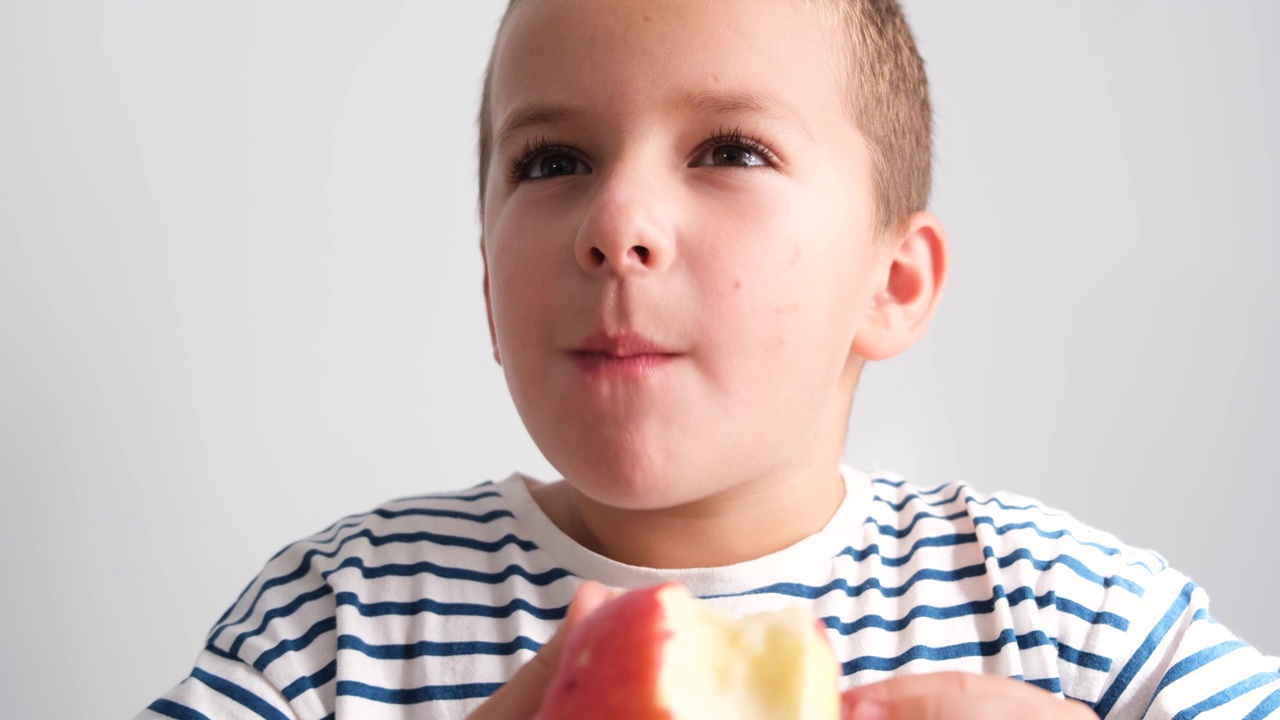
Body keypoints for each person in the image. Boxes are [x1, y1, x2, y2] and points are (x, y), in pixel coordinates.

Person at [138, 0, 1280, 718]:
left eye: (728, 149)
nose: (616, 218)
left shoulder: (1054, 615)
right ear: (489, 291)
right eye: (552, 162)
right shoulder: (343, 622)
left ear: (889, 284)